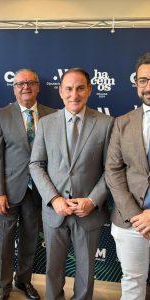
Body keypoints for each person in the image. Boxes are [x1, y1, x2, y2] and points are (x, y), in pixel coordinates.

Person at [29, 68, 114, 300]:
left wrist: (92, 201)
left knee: (85, 272)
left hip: (89, 213)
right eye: (68, 89)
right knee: (53, 270)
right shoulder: (46, 124)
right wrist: (54, 199)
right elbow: (36, 164)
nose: (74, 94)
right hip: (55, 212)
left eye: (79, 88)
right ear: (60, 91)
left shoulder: (106, 124)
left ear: (89, 90)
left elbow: (111, 170)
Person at [0, 68, 55, 300]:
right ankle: (2, 286)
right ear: (14, 88)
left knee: (30, 239)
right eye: (20, 84)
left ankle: (23, 281)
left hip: (39, 190)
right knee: (5, 240)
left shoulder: (52, 114)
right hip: (8, 191)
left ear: (38, 87)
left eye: (30, 83)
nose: (25, 87)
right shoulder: (1, 115)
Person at [105, 52, 150, 299]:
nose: (148, 87)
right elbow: (113, 170)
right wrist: (135, 214)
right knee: (133, 282)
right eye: (143, 81)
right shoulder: (123, 122)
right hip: (130, 221)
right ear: (136, 84)